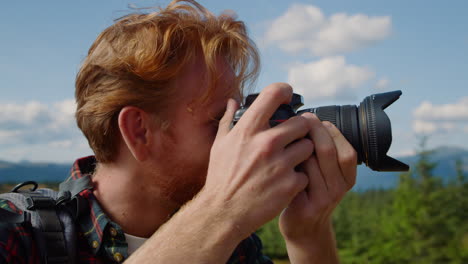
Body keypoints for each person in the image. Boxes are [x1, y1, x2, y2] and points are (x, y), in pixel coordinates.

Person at [0, 0, 357, 263]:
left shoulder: (234, 247)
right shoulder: (18, 236)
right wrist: (221, 211)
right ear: (139, 131)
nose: (238, 139)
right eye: (221, 121)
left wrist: (309, 237)